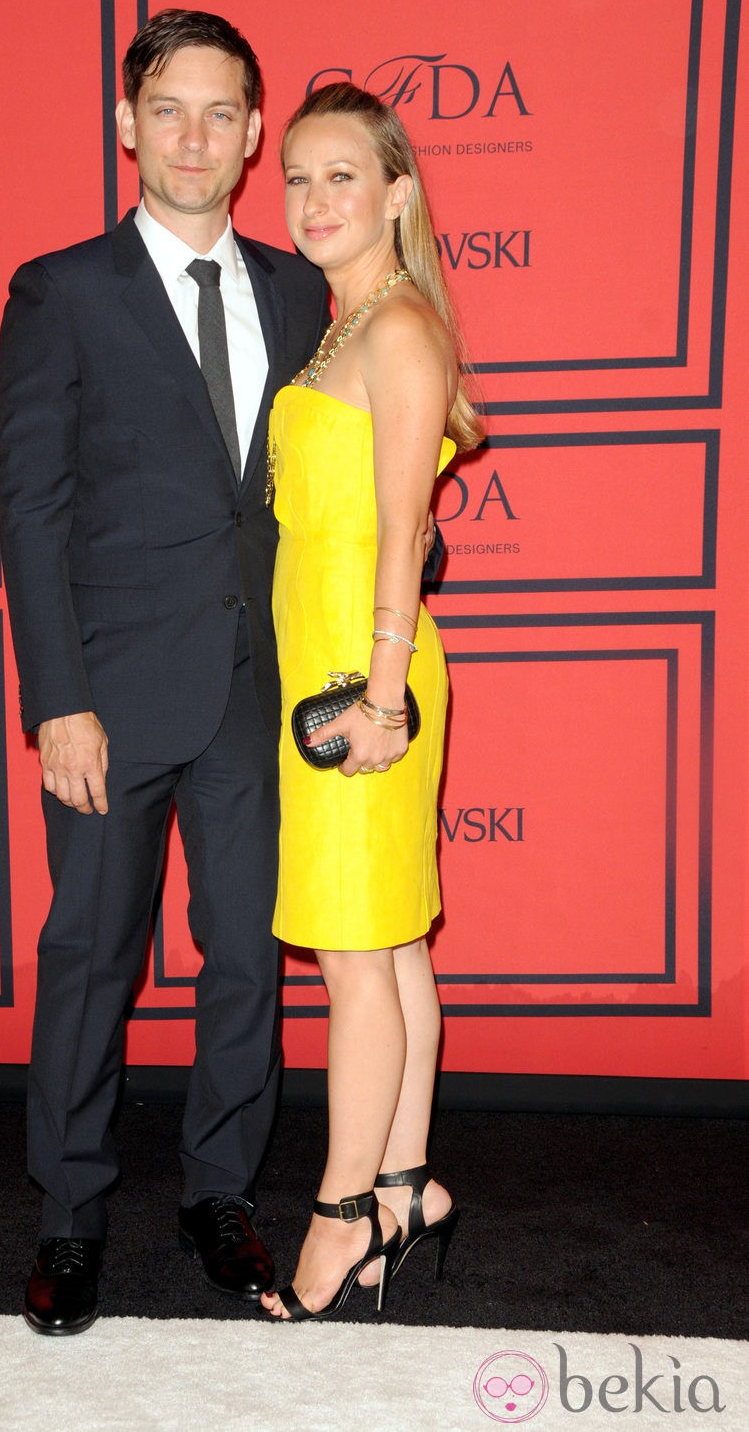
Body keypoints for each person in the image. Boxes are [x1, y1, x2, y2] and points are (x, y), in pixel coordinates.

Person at [0, 9, 329, 1334]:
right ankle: (70, 1213)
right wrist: (56, 697)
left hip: (259, 689)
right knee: (91, 954)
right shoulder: (62, 290)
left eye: (222, 112)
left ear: (254, 134)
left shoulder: (301, 289)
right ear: (128, 125)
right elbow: (31, 507)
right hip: (112, 696)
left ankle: (218, 1191)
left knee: (245, 954)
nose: (196, 135)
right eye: (169, 109)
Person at [259, 83, 483, 1321]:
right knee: (387, 945)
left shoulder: (395, 329)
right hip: (337, 672)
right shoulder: (344, 326)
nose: (311, 199)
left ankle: (341, 1214)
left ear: (396, 192)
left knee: (354, 959)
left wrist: (384, 699)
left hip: (366, 678)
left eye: (339, 174)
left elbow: (404, 531)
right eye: (295, 176)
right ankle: (405, 1186)